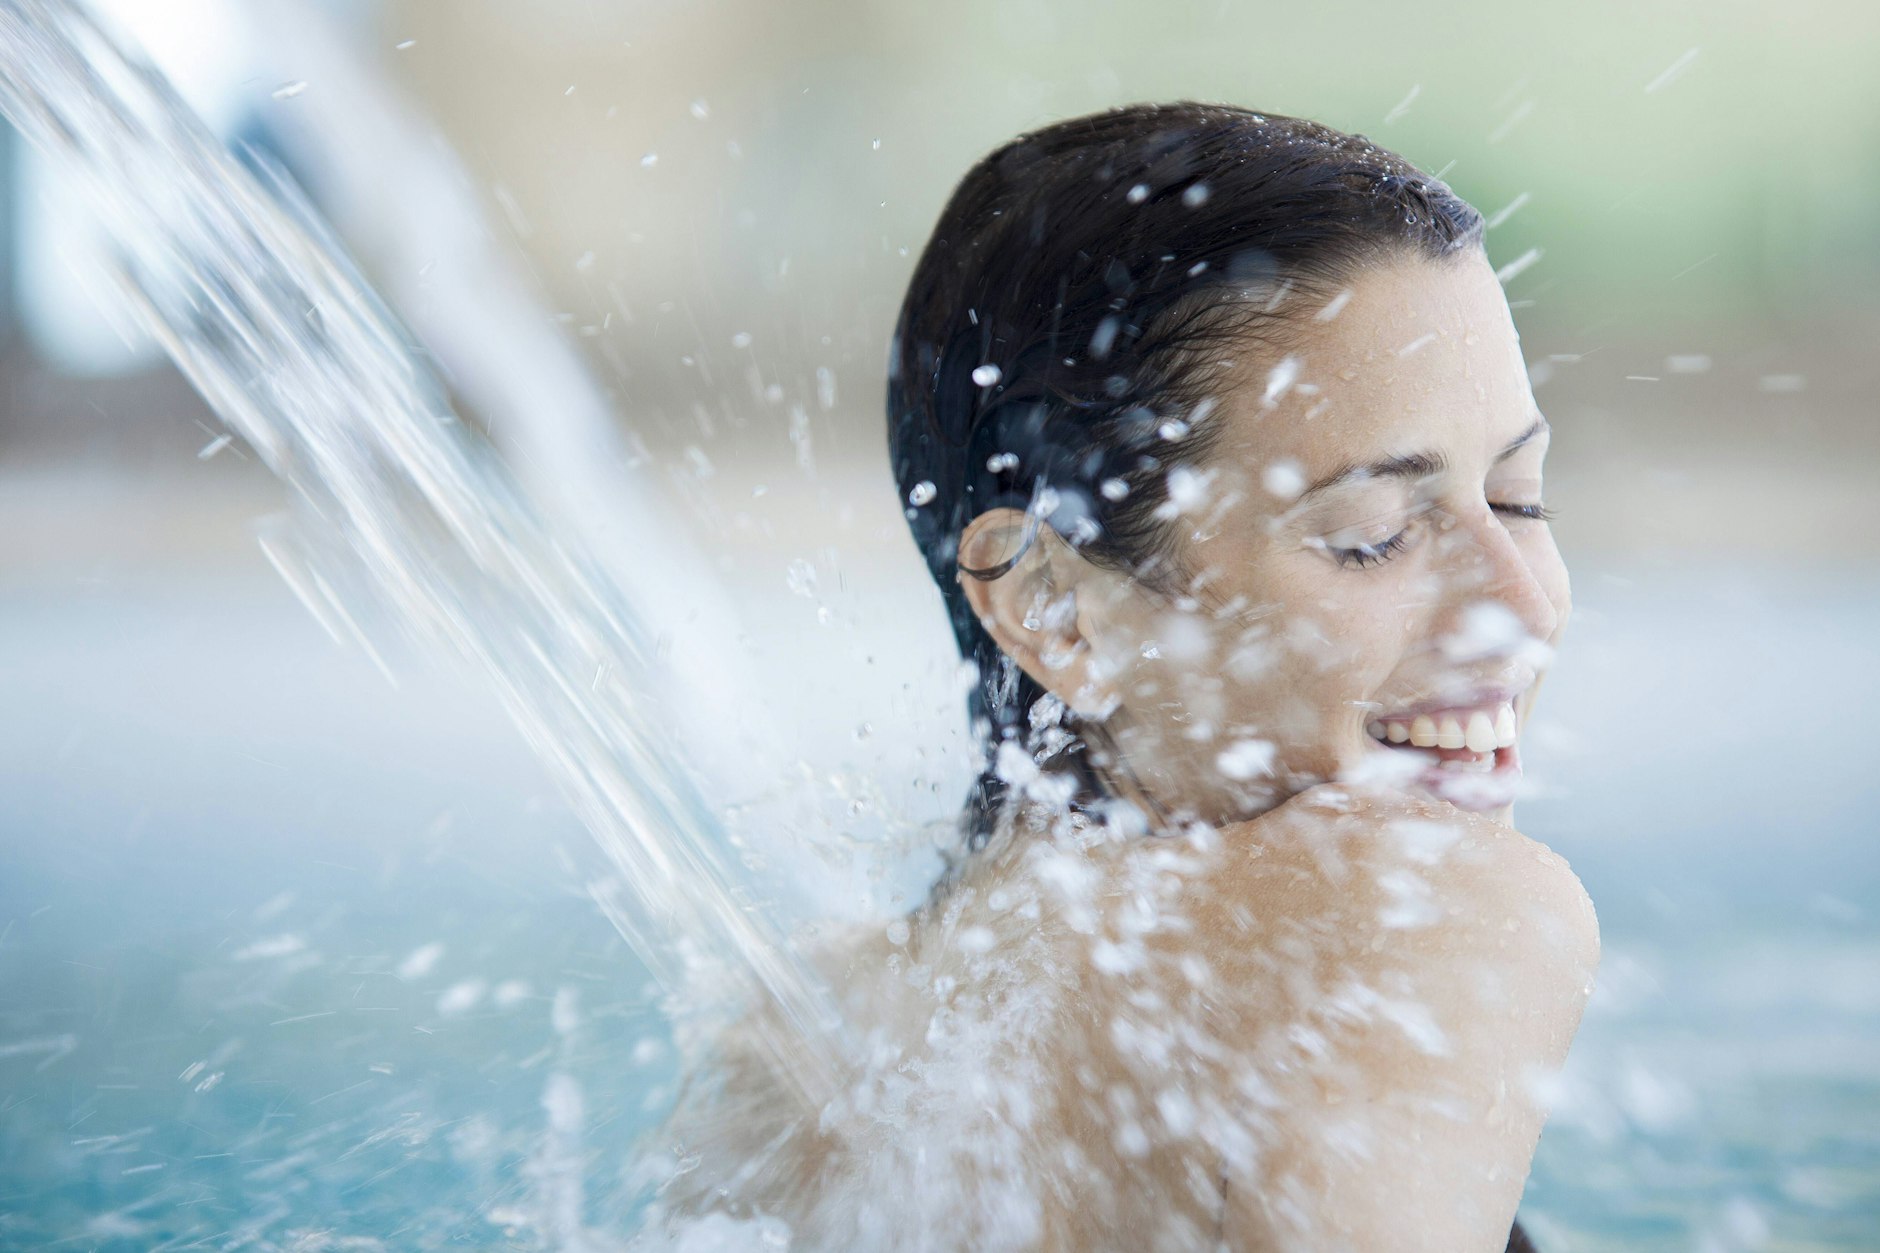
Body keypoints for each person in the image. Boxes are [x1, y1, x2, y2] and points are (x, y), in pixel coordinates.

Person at [639, 102, 1599, 1253]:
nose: (1521, 608)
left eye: (1515, 498)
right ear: (1053, 606)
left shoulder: (802, 1048)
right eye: (1370, 533)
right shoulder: (1425, 918)